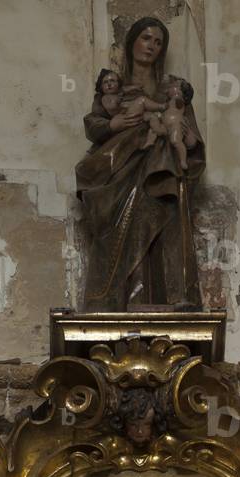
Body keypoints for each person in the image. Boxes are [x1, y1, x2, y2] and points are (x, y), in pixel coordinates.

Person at [76, 17, 205, 312]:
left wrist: (188, 137)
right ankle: (117, 301)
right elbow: (95, 124)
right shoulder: (114, 89)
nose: (152, 46)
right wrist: (115, 124)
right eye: (146, 38)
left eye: (158, 42)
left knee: (166, 218)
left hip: (164, 173)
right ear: (133, 41)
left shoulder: (174, 91)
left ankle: (171, 297)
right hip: (121, 167)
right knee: (120, 226)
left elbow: (193, 145)